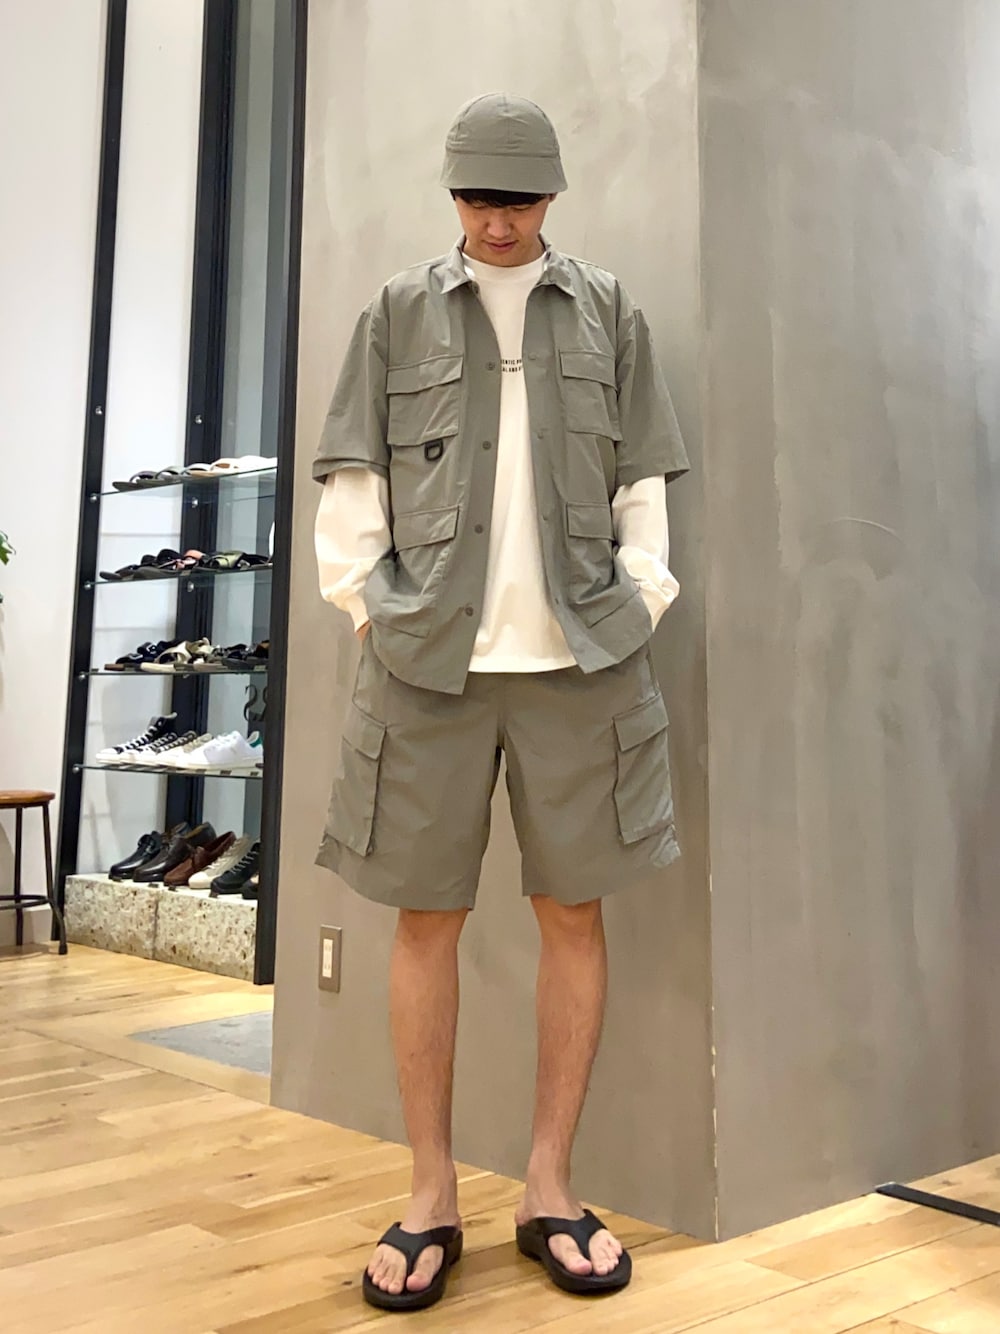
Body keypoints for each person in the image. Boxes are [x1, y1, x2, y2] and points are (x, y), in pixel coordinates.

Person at [313, 93, 689, 1314]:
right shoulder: (397, 312)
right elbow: (351, 480)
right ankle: (430, 1193)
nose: (497, 222)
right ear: (452, 195)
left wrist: (641, 596)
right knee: (425, 916)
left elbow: (642, 477)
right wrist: (372, 612)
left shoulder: (610, 311)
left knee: (573, 911)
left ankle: (548, 1186)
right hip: (427, 666)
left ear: (552, 196)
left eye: (518, 200)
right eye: (478, 199)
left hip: (581, 663)